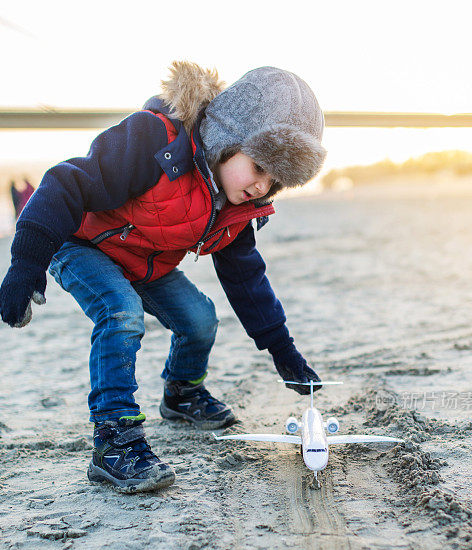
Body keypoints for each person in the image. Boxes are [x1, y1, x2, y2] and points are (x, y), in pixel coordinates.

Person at [0, 61, 326, 493]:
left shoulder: (234, 209)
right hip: (81, 244)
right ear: (230, 137)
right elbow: (63, 184)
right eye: (259, 167)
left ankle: (182, 393)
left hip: (144, 261)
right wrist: (26, 265)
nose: (262, 188)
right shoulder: (155, 142)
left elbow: (246, 281)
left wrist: (282, 350)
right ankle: (114, 440)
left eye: (276, 180)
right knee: (121, 312)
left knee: (200, 319)